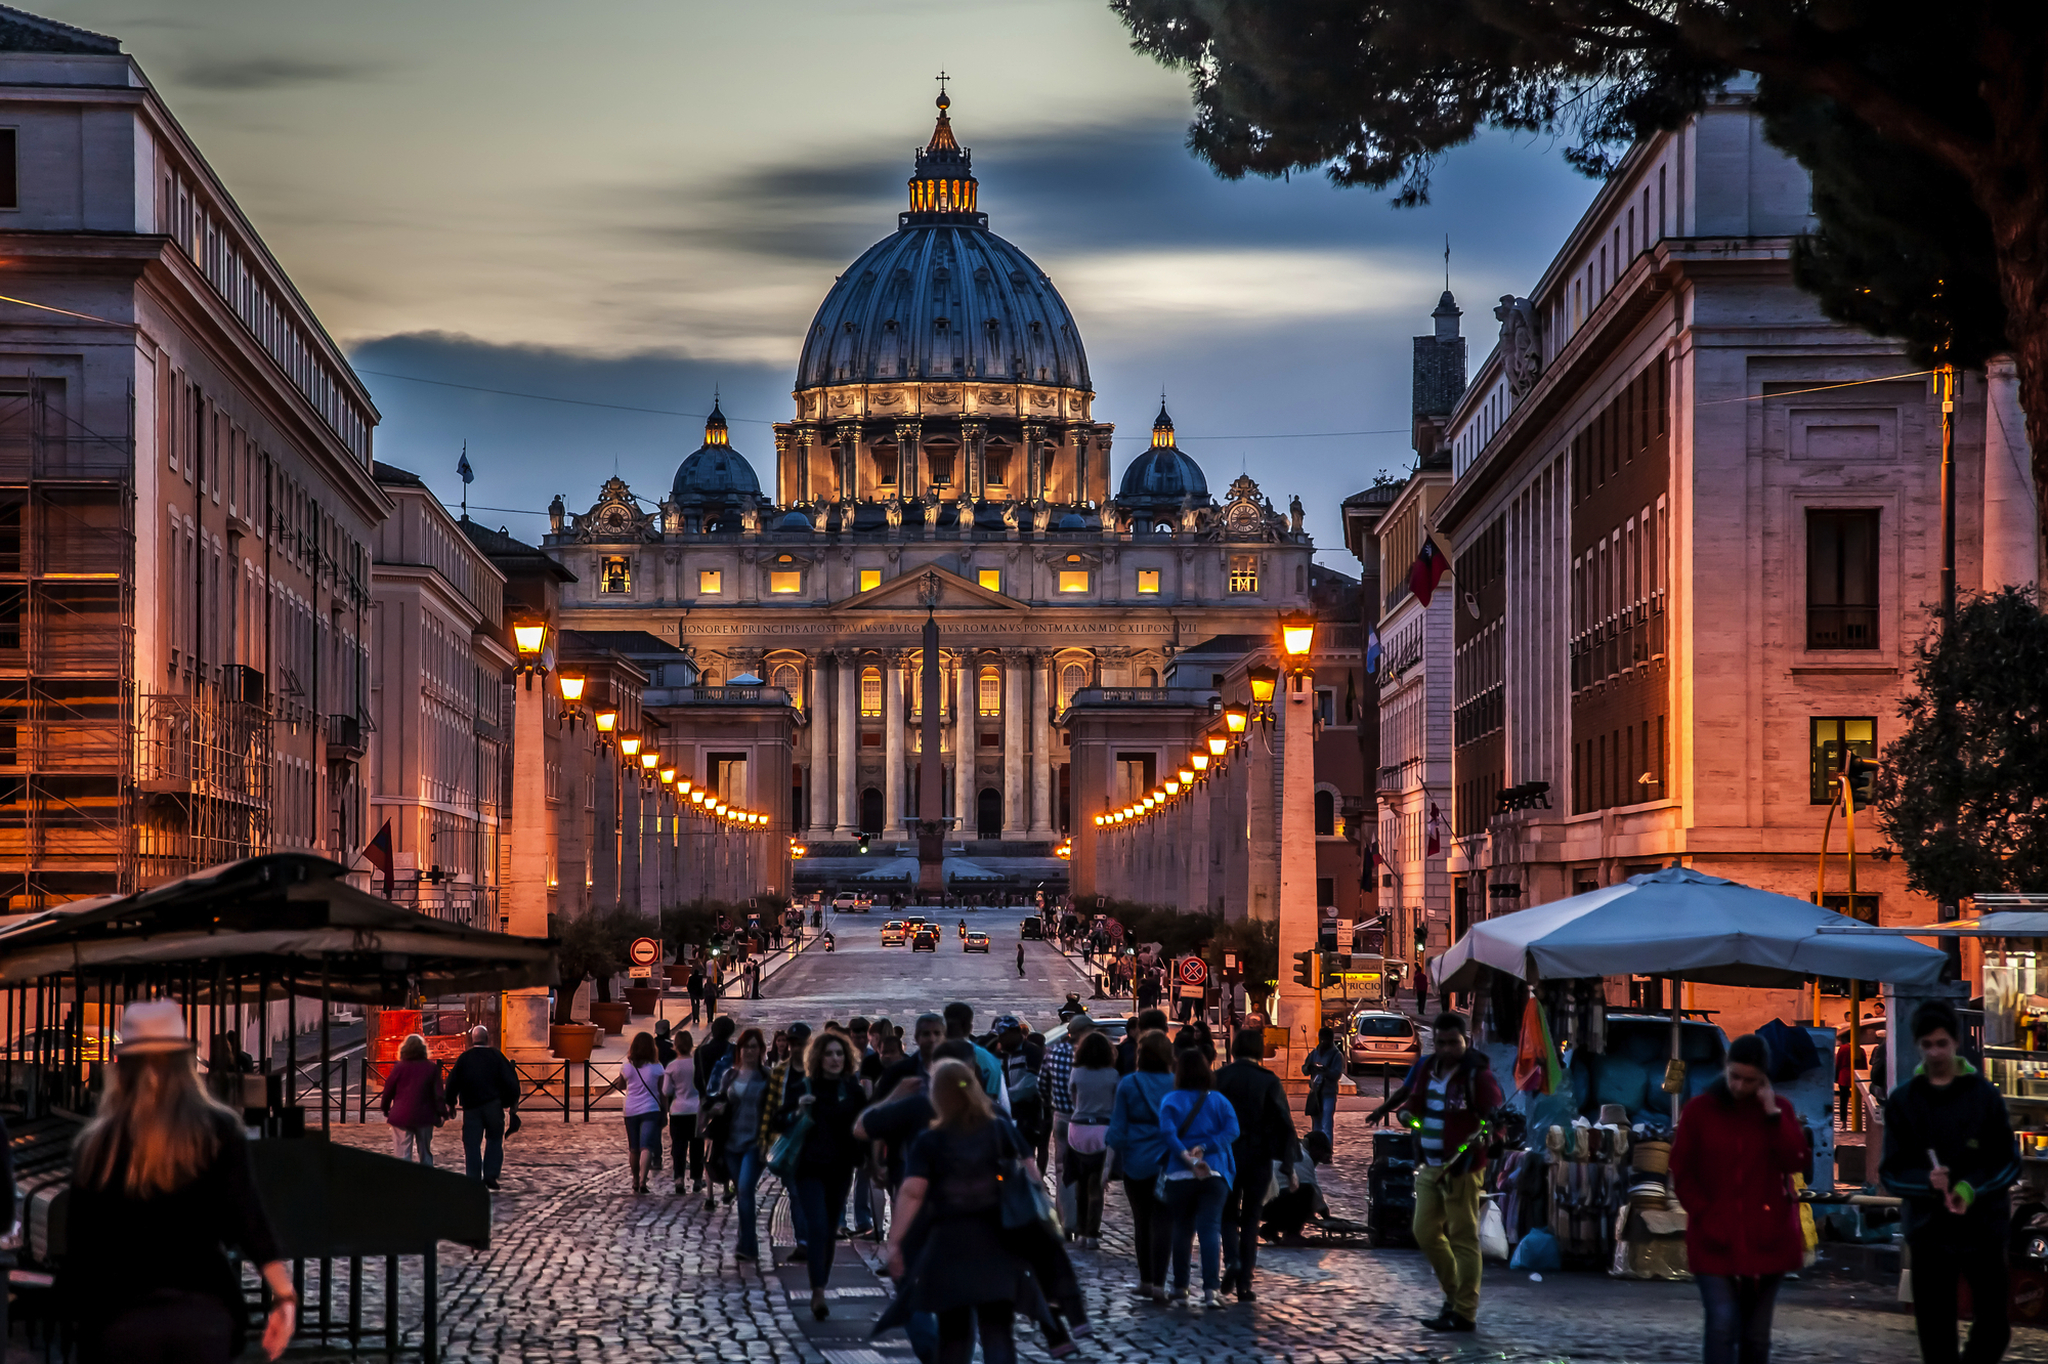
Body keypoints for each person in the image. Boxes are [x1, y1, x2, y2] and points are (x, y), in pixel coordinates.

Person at [60, 999, 296, 1364]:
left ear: (121, 1067)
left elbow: (80, 1248)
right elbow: (249, 1219)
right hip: (203, 1313)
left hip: (119, 1317)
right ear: (187, 1063)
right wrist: (284, 1296)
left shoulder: (97, 1145)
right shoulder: (219, 1131)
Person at [1881, 999, 2021, 1364]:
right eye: (1927, 1045)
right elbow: (1891, 1172)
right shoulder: (1904, 1102)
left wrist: (1968, 1188)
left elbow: (2007, 1161)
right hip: (1930, 1234)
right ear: (1918, 1046)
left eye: (1941, 1043)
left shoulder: (1983, 1096)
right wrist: (1927, 1182)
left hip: (1983, 1231)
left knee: (1993, 1326)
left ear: (1955, 1042)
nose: (1935, 1052)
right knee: (1935, 1333)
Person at [1671, 1032, 1811, 1364]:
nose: (1739, 1086)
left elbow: (1797, 1161)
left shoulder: (1779, 1111)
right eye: (1735, 1076)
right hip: (1714, 1238)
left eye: (1750, 1080)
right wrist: (1706, 1215)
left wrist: (1773, 1114)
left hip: (1768, 1239)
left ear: (1763, 1078)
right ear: (1725, 1069)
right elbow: (1682, 1171)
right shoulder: (1699, 1111)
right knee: (1721, 1324)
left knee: (1756, 1336)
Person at [883, 1058, 1035, 1364]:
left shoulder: (931, 1140)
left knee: (954, 1332)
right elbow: (1031, 1179)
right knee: (997, 1330)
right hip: (997, 1245)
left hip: (951, 1247)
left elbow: (912, 1192)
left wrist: (896, 1242)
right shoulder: (1000, 1128)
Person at [1399, 1013, 1505, 1334]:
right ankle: (1453, 1294)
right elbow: (1414, 1104)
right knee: (1425, 1231)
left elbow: (1498, 1121)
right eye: (1440, 1042)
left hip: (1461, 1168)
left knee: (1463, 1238)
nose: (1446, 1048)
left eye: (1452, 1042)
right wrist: (1406, 1115)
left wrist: (1489, 1136)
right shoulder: (1429, 1069)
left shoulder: (1478, 1076)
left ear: (1465, 1041)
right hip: (1430, 1167)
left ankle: (1464, 1313)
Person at [775, 1030, 869, 1317]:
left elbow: (865, 1125)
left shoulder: (852, 1089)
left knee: (828, 1230)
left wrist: (870, 1158)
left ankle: (821, 1284)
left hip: (840, 1168)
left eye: (839, 1053)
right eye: (829, 1053)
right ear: (819, 1057)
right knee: (817, 1225)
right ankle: (817, 1292)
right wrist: (797, 1113)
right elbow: (780, 1119)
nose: (835, 1059)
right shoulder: (805, 1085)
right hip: (809, 1166)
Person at [1214, 1026, 1300, 1301]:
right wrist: (1288, 1165)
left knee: (1227, 1214)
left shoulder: (1219, 1077)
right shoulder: (1269, 1081)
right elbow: (1285, 1123)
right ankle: (1245, 1282)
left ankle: (1231, 1262)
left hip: (1225, 1155)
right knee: (1251, 1217)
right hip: (1258, 1158)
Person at [1158, 1047, 1239, 1308]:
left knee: (1182, 1230)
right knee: (1210, 1231)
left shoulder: (1170, 1100)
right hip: (1214, 1171)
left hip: (1179, 1173)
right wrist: (1205, 1147)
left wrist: (1187, 1157)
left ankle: (1180, 1287)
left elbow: (1168, 1134)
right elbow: (1233, 1131)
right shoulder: (1218, 1100)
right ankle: (1210, 1290)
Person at [1105, 1030, 1178, 1303]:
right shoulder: (1175, 1084)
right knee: (1164, 1223)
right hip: (1169, 1162)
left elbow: (1117, 1129)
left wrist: (1108, 1164)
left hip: (1135, 1162)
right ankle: (1160, 1283)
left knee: (1142, 1222)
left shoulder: (1128, 1084)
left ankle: (1145, 1280)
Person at [709, 1027, 772, 1261]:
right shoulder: (730, 1076)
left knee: (745, 1189)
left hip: (755, 1143)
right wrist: (716, 1108)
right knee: (742, 1192)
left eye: (754, 1047)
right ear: (740, 1050)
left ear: (761, 1050)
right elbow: (720, 1103)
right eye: (745, 1047)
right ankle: (745, 1238)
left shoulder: (767, 1076)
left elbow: (774, 1109)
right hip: (731, 1143)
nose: (749, 1051)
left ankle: (748, 1244)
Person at [444, 1025, 520, 1189]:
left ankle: (473, 1178)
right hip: (493, 1105)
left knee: (471, 1143)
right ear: (488, 1039)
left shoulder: (465, 1058)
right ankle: (491, 1174)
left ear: (472, 1040)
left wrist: (450, 1103)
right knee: (494, 1139)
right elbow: (511, 1081)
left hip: (471, 1108)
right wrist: (511, 1103)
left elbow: (453, 1082)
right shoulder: (496, 1056)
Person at [1065, 1029, 1119, 1246]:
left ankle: (1079, 1230)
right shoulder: (1113, 1076)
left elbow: (1072, 1098)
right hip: (1102, 1130)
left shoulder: (1076, 1073)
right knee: (1096, 1185)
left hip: (1078, 1129)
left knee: (1080, 1182)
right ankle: (1092, 1232)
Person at [379, 1033, 446, 1166]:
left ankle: (405, 1182)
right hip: (425, 1115)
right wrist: (442, 1113)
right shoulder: (431, 1068)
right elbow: (438, 1094)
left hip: (401, 1115)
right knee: (425, 1153)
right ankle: (426, 1181)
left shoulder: (399, 1068)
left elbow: (388, 1091)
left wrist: (386, 1109)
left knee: (402, 1154)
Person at [1261, 1129, 1331, 1243]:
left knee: (1295, 1194)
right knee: (1306, 1192)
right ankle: (1292, 1234)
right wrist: (1325, 1214)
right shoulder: (1303, 1156)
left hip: (1261, 1205)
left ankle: (1270, 1229)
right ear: (1314, 1148)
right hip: (1272, 1205)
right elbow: (1313, 1190)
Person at [621, 1031, 668, 1195]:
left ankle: (634, 1180)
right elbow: (663, 1093)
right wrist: (665, 1111)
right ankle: (642, 1181)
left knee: (633, 1148)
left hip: (631, 1109)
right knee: (646, 1147)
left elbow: (620, 1085)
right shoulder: (657, 1067)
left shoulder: (627, 1066)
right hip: (651, 1109)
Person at [664, 1029, 706, 1196]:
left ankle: (679, 1178)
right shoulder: (697, 1064)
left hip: (678, 1110)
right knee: (697, 1146)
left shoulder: (672, 1066)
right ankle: (697, 1179)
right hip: (696, 1109)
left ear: (676, 1046)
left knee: (679, 1146)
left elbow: (666, 1090)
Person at [1300, 1027, 1344, 1145]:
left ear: (1331, 1039)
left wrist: (1325, 1071)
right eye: (1322, 1039)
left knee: (1326, 1124)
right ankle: (1316, 1148)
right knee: (1316, 1124)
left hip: (1328, 1092)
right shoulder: (1314, 1053)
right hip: (1315, 1092)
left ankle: (1327, 1150)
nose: (1324, 1041)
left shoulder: (1336, 1055)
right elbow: (1304, 1070)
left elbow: (1337, 1074)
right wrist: (1309, 1067)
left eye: (1326, 1039)